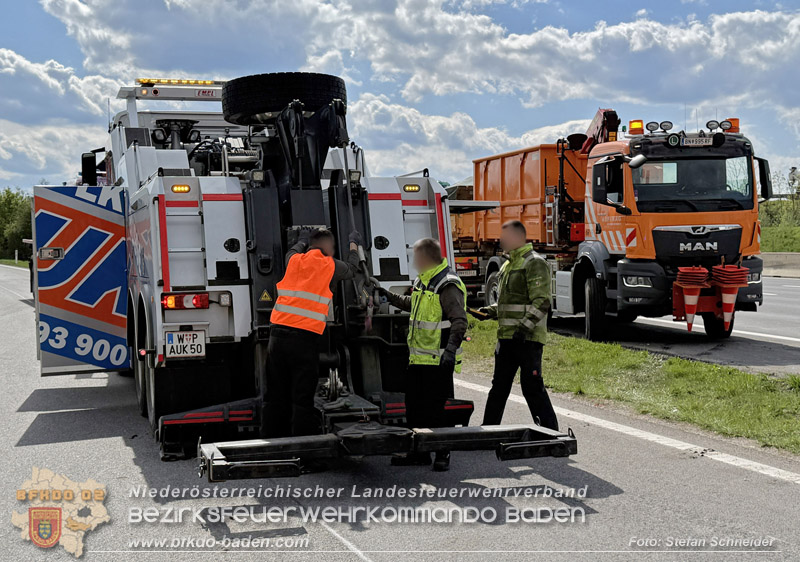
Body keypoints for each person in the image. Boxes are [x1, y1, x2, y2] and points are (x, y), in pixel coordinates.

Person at [379, 238, 467, 471]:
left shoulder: (447, 284)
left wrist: (449, 352)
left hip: (438, 360)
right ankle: (419, 453)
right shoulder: (423, 281)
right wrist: (387, 295)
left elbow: (459, 321)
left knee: (436, 411)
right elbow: (413, 305)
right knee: (415, 409)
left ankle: (442, 453)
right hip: (418, 359)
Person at [263, 228, 361, 438]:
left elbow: (291, 250)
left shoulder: (294, 260)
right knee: (302, 398)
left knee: (274, 395)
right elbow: (354, 269)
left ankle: (270, 445)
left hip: (276, 336)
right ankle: (305, 452)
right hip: (303, 339)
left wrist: (302, 240)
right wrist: (354, 244)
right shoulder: (330, 265)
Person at [476, 220, 558, 430]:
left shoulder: (534, 263)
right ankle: (489, 430)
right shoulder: (507, 265)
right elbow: (508, 303)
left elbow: (542, 302)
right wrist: (489, 312)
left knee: (532, 386)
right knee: (499, 387)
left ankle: (550, 433)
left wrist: (523, 329)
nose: (501, 241)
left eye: (505, 237)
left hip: (527, 339)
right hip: (506, 337)